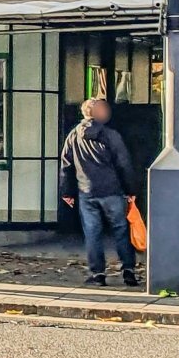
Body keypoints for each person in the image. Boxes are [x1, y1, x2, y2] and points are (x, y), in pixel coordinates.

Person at [59, 98, 139, 287]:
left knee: (93, 233)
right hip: (112, 190)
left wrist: (66, 192)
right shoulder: (111, 135)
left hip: (86, 190)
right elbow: (124, 164)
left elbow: (66, 166)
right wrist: (131, 189)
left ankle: (98, 274)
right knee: (121, 230)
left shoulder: (73, 136)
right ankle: (128, 271)